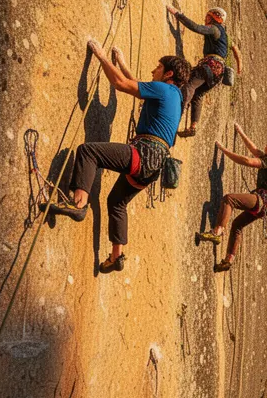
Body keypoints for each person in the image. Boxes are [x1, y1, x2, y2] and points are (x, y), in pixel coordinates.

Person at [44, 40, 191, 273]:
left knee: (88, 151)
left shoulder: (166, 89)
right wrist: (121, 63)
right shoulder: (175, 98)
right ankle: (116, 256)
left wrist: (101, 56)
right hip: (154, 167)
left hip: (143, 153)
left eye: (158, 68)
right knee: (117, 202)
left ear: (169, 73)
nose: (154, 71)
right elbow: (137, 86)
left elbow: (122, 84)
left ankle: (78, 204)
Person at [196, 123, 267, 272]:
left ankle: (217, 232)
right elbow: (254, 150)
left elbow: (248, 161)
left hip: (263, 200)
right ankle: (228, 260)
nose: (265, 146)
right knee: (237, 225)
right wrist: (240, 132)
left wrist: (224, 151)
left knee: (229, 199)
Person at [165, 5, 242, 137]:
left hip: (210, 65)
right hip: (218, 73)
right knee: (198, 95)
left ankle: (176, 115)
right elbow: (236, 51)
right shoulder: (226, 36)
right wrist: (239, 66)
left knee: (189, 86)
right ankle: (193, 126)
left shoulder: (214, 29)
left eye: (208, 16)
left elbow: (196, 27)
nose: (205, 18)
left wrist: (178, 14)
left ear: (213, 17)